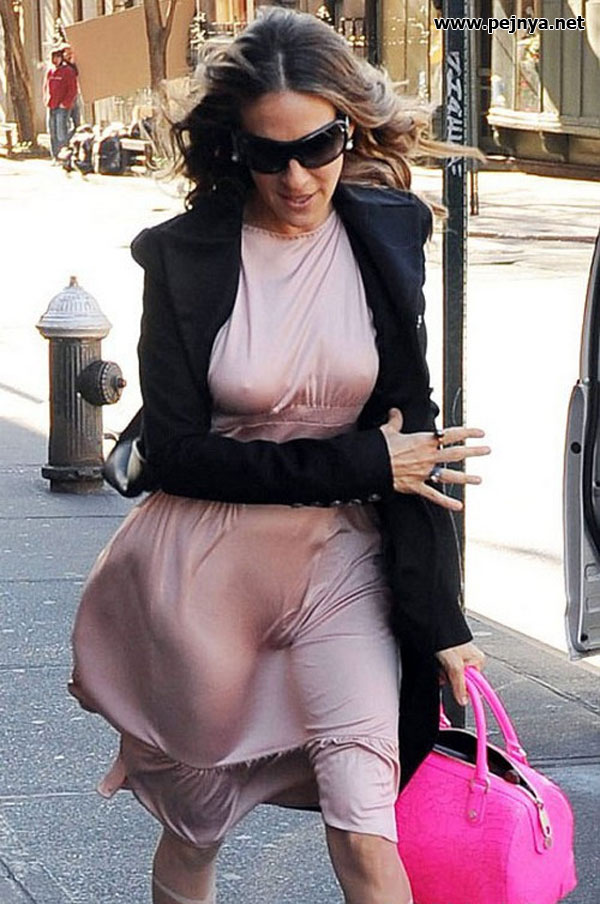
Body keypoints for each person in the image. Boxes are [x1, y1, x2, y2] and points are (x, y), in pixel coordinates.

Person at [69, 9, 490, 904]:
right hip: (206, 578)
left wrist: (441, 619)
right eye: (270, 155)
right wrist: (362, 466)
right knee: (197, 831)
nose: (298, 178)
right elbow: (178, 455)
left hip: (344, 569)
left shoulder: (388, 233)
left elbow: (414, 443)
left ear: (349, 129)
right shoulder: (183, 258)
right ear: (235, 149)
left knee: (366, 828)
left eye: (318, 147)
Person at [43, 47, 77, 161]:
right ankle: (55, 156)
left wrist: (65, 103)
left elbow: (72, 90)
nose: (55, 60)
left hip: (62, 107)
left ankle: (64, 156)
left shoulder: (68, 71)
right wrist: (46, 98)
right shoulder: (50, 71)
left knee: (61, 132)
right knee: (52, 131)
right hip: (51, 105)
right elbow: (46, 86)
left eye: (57, 57)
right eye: (53, 57)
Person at [61, 44, 82, 133]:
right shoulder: (62, 66)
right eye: (67, 53)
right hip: (64, 95)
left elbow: (76, 73)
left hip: (73, 93)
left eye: (70, 53)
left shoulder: (71, 64)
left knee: (76, 115)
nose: (69, 55)